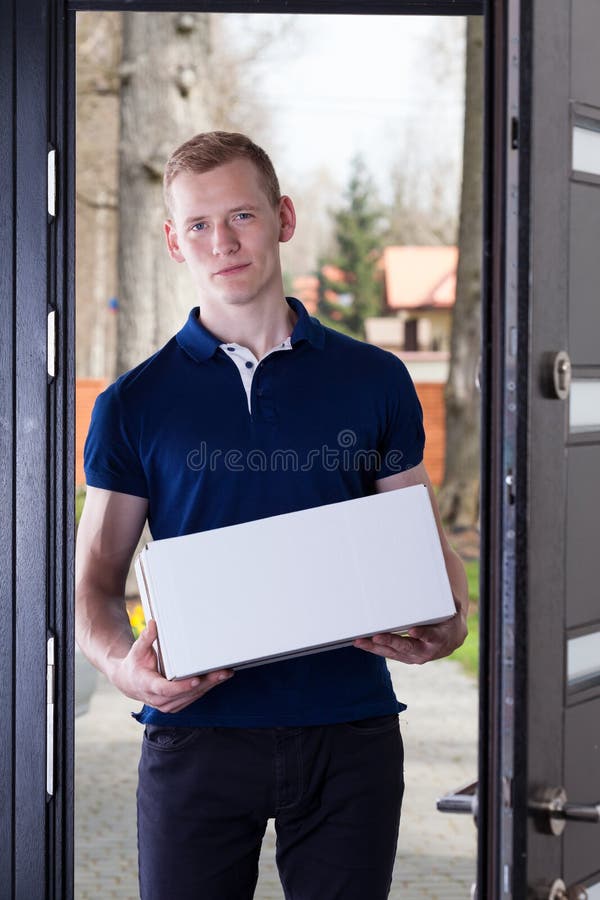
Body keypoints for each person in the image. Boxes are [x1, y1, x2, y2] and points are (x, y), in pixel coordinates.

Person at [75, 131, 468, 900]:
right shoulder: (134, 404)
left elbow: (421, 535)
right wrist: (123, 667)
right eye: (198, 225)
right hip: (196, 739)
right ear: (172, 240)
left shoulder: (376, 380)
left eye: (242, 216)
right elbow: (95, 580)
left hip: (350, 731)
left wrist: (451, 618)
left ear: (282, 218)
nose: (221, 242)